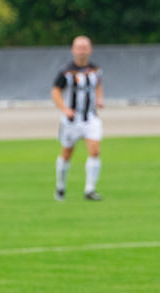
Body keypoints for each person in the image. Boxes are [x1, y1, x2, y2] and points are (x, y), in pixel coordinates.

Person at [51, 35, 103, 201]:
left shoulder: (96, 70)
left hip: (90, 118)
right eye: (79, 48)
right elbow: (56, 91)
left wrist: (99, 99)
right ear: (73, 50)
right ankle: (60, 187)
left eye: (85, 48)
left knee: (95, 150)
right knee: (67, 154)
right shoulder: (66, 71)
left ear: (90, 49)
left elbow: (98, 86)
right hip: (72, 120)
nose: (82, 51)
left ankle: (90, 189)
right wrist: (64, 109)